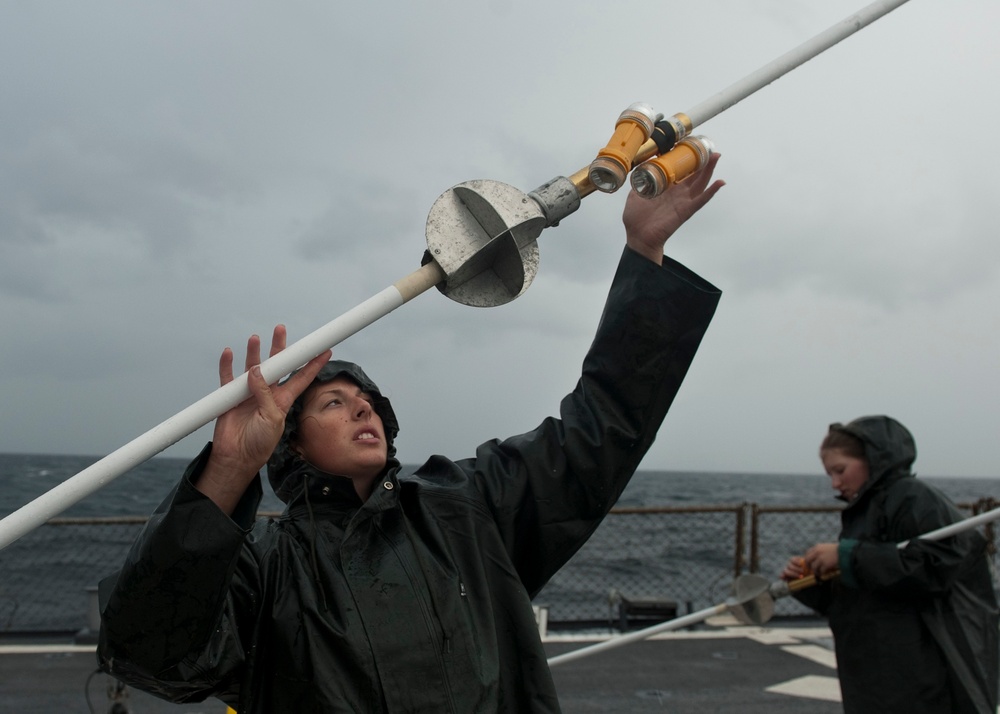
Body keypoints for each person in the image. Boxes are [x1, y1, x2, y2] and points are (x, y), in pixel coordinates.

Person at [97, 156, 725, 713]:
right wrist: (230, 468)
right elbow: (155, 658)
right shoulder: (267, 570)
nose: (362, 411)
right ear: (291, 443)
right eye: (334, 404)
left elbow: (600, 429)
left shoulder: (469, 508)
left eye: (367, 401)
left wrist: (644, 252)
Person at [782, 416, 999, 714]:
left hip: (915, 673)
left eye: (840, 470)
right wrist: (810, 583)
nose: (835, 483)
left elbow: (933, 571)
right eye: (829, 474)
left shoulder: (914, 498)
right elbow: (861, 592)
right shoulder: (863, 511)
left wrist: (847, 556)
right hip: (872, 674)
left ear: (872, 459)